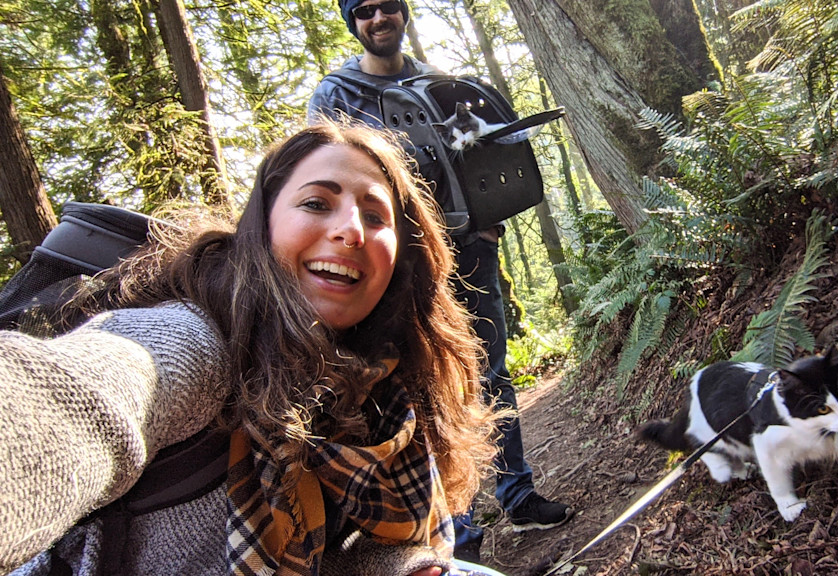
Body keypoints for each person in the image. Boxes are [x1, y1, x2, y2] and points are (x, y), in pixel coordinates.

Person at [0, 121, 502, 576]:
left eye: (375, 215)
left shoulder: (381, 380)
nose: (351, 230)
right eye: (315, 203)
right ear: (260, 229)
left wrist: (401, 567)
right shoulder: (194, 341)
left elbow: (337, 548)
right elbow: (78, 398)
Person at [308, 0, 574, 563]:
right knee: (431, 387)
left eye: (387, 7)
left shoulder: (440, 85)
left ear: (403, 15)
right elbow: (329, 172)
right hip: (404, 265)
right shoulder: (337, 97)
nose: (378, 19)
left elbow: (481, 159)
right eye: (364, 12)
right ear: (354, 24)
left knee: (492, 372)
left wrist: (489, 231)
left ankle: (518, 494)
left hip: (471, 251)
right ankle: (460, 527)